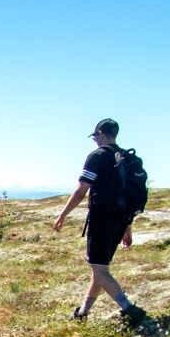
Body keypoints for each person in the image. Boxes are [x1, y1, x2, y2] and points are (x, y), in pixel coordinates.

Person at [53, 118, 147, 325]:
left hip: (101, 219)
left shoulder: (97, 156)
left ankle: (129, 309)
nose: (94, 140)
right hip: (121, 220)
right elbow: (127, 195)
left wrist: (62, 215)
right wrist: (127, 227)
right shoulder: (126, 158)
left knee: (100, 269)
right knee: (99, 268)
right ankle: (82, 313)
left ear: (102, 134)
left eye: (95, 136)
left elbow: (80, 191)